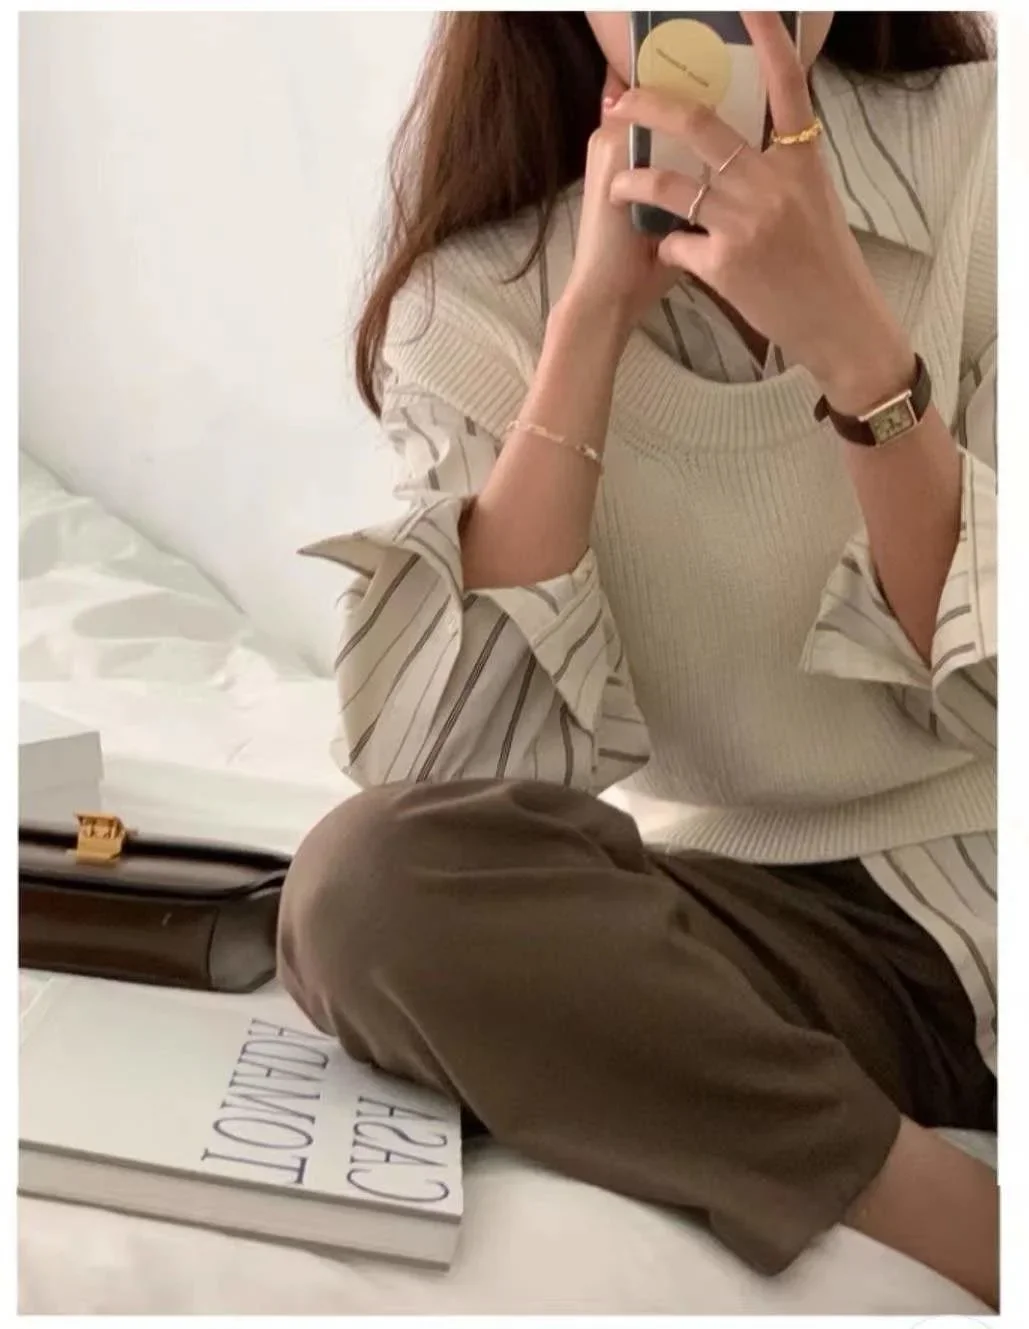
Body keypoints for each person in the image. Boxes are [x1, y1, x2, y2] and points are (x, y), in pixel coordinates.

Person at [278, 11, 998, 1308]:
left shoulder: (992, 157)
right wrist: (591, 322)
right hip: (771, 941)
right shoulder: (472, 305)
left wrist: (854, 347)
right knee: (365, 889)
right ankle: (958, 1219)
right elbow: (457, 783)